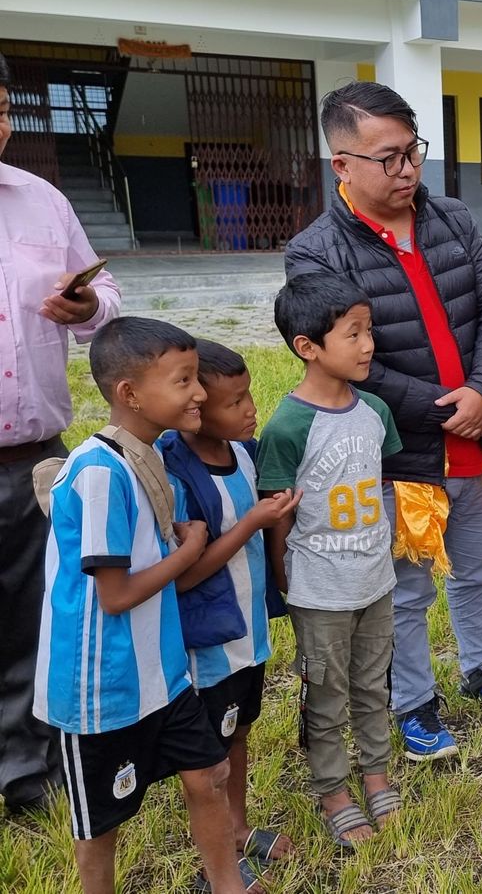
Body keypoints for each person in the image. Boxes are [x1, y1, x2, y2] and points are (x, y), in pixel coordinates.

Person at [285, 81, 482, 763]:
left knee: (478, 567)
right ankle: (413, 702)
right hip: (398, 454)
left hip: (474, 440)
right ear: (342, 164)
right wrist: (448, 408)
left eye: (413, 151)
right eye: (388, 158)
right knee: (404, 591)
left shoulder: (450, 217)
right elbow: (348, 363)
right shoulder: (315, 252)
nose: (407, 170)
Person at [33, 317, 245, 894]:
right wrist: (192, 549)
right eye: (184, 380)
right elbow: (116, 595)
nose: (199, 393)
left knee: (210, 773)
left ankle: (226, 884)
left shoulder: (144, 460)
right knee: (101, 821)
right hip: (102, 685)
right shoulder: (100, 473)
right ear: (130, 393)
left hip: (162, 671)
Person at [0, 48, 122, 815]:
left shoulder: (41, 201)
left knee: (28, 616)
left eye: (0, 109)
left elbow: (105, 293)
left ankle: (25, 769)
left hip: (30, 459)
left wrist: (90, 307)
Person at [257, 273, 404, 847]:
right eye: (353, 334)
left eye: (369, 331)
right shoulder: (288, 426)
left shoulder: (375, 411)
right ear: (307, 347)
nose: (368, 345)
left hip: (375, 582)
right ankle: (333, 789)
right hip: (319, 591)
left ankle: (376, 774)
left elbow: (381, 486)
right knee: (326, 694)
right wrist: (285, 582)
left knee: (373, 685)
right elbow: (278, 516)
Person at [160, 339, 300, 876]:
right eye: (234, 402)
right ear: (195, 409)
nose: (250, 410)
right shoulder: (175, 472)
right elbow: (185, 574)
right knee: (209, 760)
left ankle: (238, 829)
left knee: (238, 732)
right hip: (209, 643)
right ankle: (216, 865)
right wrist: (252, 523)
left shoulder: (244, 452)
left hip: (249, 633)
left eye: (248, 396)